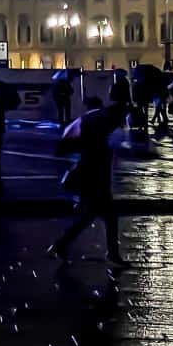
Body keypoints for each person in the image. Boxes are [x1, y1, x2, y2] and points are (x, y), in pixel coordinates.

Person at [49, 98, 126, 265]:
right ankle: (111, 254)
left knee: (91, 216)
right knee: (105, 217)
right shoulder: (98, 134)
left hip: (94, 182)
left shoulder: (94, 128)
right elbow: (98, 165)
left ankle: (61, 245)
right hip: (95, 183)